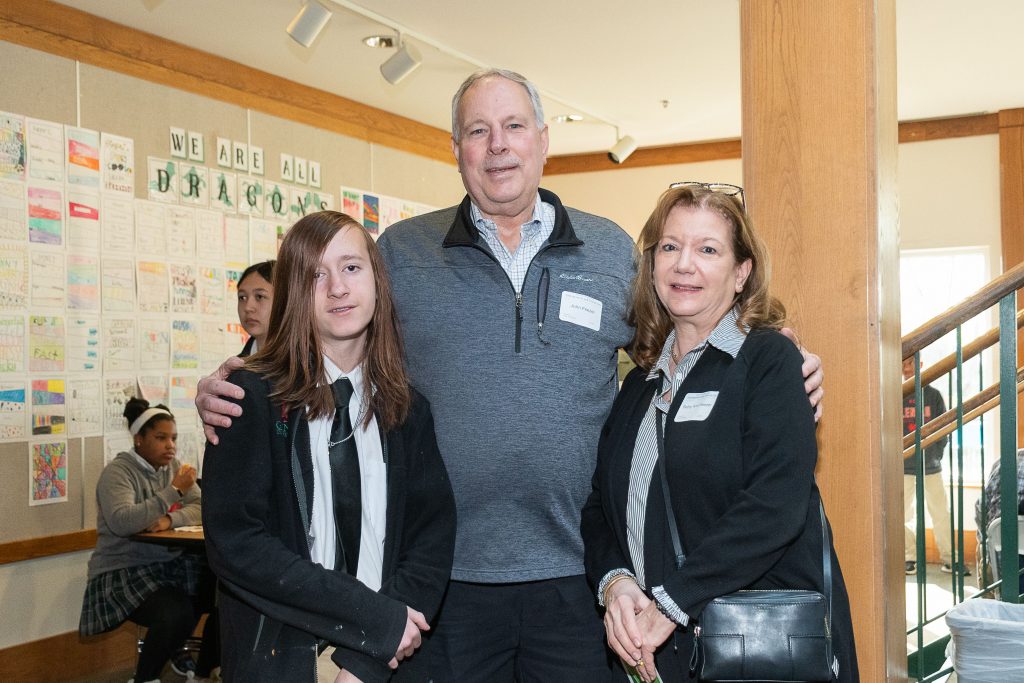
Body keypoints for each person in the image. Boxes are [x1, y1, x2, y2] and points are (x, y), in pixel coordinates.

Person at [196, 69, 824, 682]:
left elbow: (681, 336)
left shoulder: (612, 253)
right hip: (442, 584)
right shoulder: (401, 254)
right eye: (478, 130)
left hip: (582, 580)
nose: (497, 145)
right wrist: (247, 373)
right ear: (457, 150)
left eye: (514, 125)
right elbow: (335, 327)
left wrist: (769, 359)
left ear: (543, 140)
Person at [580, 184, 857, 683]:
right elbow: (599, 504)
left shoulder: (768, 361)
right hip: (656, 651)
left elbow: (775, 504)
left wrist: (671, 603)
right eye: (670, 247)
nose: (685, 264)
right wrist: (615, 583)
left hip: (756, 647)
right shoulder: (639, 382)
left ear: (741, 272)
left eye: (708, 250)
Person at [200, 211, 456, 683]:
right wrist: (372, 618)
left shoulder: (408, 410)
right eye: (316, 274)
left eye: (351, 268)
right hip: (287, 655)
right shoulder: (250, 398)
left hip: (389, 660)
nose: (337, 287)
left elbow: (431, 541)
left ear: (377, 280)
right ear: (295, 293)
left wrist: (369, 654)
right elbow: (236, 544)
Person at [79, 398, 216, 683]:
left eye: (173, 438)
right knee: (175, 612)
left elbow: (201, 507)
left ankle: (203, 670)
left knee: (218, 595)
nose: (170, 446)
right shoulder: (118, 473)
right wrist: (173, 492)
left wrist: (170, 520)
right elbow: (123, 521)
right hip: (123, 568)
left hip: (166, 565)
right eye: (161, 438)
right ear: (139, 439)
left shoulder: (172, 468)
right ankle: (145, 678)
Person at [902, 357, 957, 575]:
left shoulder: (933, 395)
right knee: (905, 515)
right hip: (905, 465)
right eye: (903, 364)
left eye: (911, 363)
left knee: (941, 513)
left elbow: (945, 426)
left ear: (921, 364)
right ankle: (909, 558)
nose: (907, 368)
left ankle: (950, 559)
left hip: (931, 465)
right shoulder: (896, 394)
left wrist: (937, 453)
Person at [974, 447, 1024, 592]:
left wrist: (986, 540)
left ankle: (991, 599)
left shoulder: (1005, 461)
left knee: (985, 542)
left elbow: (980, 508)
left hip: (1002, 569)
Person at [236, 260, 275, 356]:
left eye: (259, 297)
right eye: (242, 297)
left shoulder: (307, 365)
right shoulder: (233, 368)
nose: (248, 308)